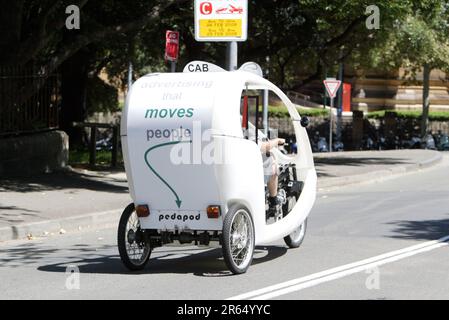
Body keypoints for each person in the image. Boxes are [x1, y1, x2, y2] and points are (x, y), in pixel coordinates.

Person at [259, 138, 285, 209]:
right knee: (270, 161)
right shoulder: (247, 128)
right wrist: (278, 140)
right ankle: (273, 198)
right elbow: (264, 147)